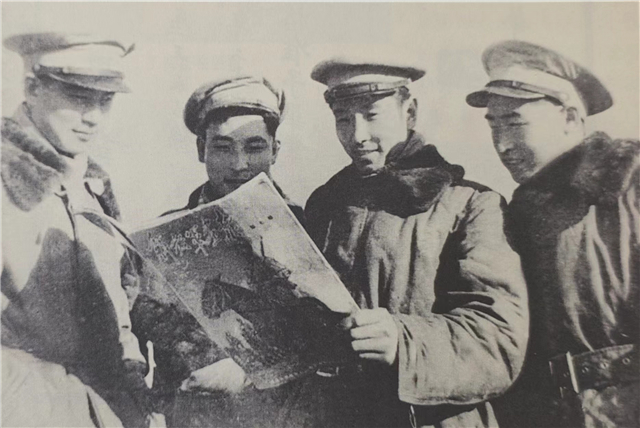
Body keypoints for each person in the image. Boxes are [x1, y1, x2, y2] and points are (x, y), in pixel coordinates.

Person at [281, 57, 529, 428]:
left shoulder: (471, 204)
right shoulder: (325, 205)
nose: (357, 135)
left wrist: (402, 340)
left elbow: (499, 341)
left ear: (409, 112)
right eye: (343, 119)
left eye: (372, 115)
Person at [466, 40, 639, 428]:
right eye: (494, 125)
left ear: (570, 117)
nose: (502, 144)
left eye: (515, 123)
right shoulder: (511, 216)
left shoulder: (630, 186)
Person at [1, 32, 157, 427]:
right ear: (32, 88)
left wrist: (134, 391)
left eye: (105, 101)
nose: (94, 117)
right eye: (78, 97)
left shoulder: (91, 185)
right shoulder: (5, 179)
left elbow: (119, 312)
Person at [131, 75, 303, 427]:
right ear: (201, 150)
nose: (239, 164)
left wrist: (248, 374)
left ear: (275, 150)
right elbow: (129, 343)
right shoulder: (160, 242)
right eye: (223, 147)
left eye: (254, 147)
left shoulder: (311, 229)